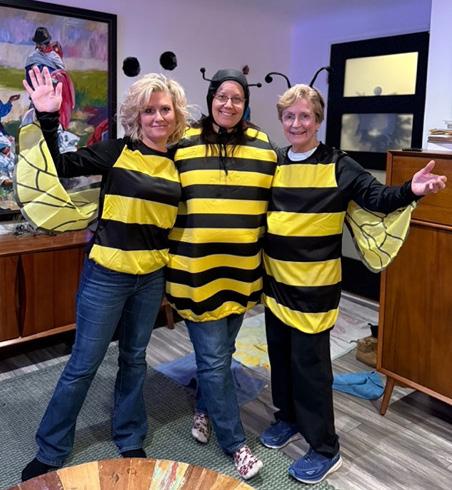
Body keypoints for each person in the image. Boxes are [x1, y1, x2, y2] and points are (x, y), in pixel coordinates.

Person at [259, 84, 447, 484]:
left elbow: (377, 197)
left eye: (305, 116)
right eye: (289, 116)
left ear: (317, 120)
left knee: (311, 370)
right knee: (281, 359)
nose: (297, 123)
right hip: (275, 285)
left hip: (314, 290)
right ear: (282, 120)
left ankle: (325, 448)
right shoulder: (274, 162)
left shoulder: (338, 164)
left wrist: (411, 190)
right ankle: (287, 418)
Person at [20, 65, 188, 481]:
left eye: (165, 109)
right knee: (83, 364)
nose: (158, 117)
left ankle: (129, 434)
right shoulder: (118, 151)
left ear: (176, 114)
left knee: (134, 359)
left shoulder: (182, 162)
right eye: (149, 110)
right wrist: (47, 116)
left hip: (151, 277)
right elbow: (59, 165)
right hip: (106, 275)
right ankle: (52, 447)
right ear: (137, 115)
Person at [165, 68, 278, 480]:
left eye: (237, 98)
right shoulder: (183, 144)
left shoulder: (265, 148)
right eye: (222, 97)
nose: (229, 104)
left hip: (242, 274)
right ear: (211, 98)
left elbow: (279, 203)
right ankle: (237, 445)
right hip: (195, 273)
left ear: (246, 104)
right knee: (214, 359)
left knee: (221, 354)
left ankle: (203, 406)